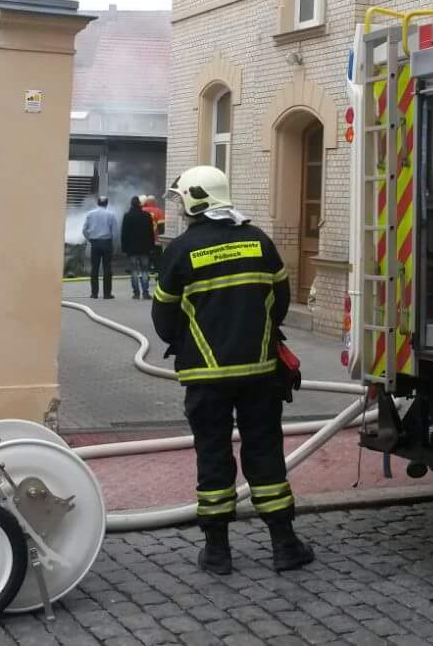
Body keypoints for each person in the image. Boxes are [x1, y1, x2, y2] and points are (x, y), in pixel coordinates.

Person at [152, 165, 314, 575]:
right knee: (265, 451)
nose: (180, 208)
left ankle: (217, 551)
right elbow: (280, 303)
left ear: (194, 200)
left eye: (182, 200)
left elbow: (163, 321)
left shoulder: (180, 251)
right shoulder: (259, 242)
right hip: (259, 372)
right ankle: (284, 545)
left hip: (205, 378)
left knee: (213, 454)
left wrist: (192, 340)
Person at [81, 195, 119, 299]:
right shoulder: (111, 214)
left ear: (98, 203)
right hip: (106, 243)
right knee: (107, 268)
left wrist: (90, 239)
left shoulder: (90, 214)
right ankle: (107, 294)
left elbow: (84, 230)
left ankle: (94, 293)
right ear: (106, 203)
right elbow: (115, 233)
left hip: (95, 243)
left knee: (94, 268)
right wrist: (113, 244)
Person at [120, 196, 156, 300]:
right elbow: (151, 233)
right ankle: (145, 292)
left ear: (131, 204)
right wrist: (152, 247)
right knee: (145, 271)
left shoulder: (127, 216)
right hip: (145, 248)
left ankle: (136, 293)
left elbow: (124, 234)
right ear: (140, 204)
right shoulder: (146, 215)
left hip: (131, 249)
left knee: (134, 271)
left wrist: (124, 248)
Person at [141, 194, 166, 276]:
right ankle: (157, 272)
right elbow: (161, 227)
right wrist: (160, 238)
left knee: (145, 257)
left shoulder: (141, 210)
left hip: (144, 240)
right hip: (156, 240)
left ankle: (146, 272)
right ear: (154, 202)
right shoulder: (159, 211)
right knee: (157, 258)